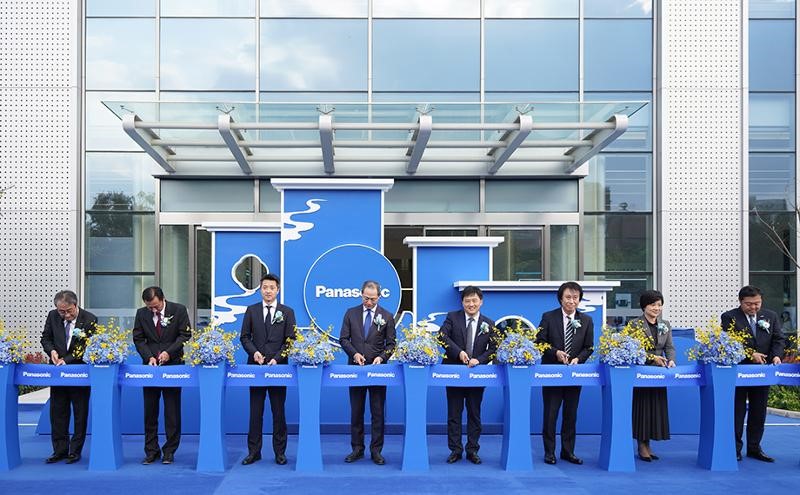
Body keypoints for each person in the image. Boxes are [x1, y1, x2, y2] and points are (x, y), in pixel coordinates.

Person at [721, 285, 784, 462]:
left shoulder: (770, 316)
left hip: (763, 372)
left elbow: (779, 339)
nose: (753, 307)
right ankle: (734, 448)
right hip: (739, 372)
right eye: (749, 304)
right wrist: (750, 354)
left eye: (757, 303)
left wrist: (777, 356)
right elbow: (729, 342)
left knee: (759, 411)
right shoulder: (729, 317)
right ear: (741, 302)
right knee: (737, 411)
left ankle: (754, 448)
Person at [240, 274, 296, 466]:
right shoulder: (252, 310)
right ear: (260, 289)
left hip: (278, 369)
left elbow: (291, 340)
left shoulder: (287, 312)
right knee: (255, 412)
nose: (268, 291)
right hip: (255, 368)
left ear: (277, 290)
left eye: (272, 287)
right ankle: (254, 452)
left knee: (278, 412)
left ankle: (280, 452)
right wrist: (254, 353)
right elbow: (244, 337)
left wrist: (277, 358)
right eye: (265, 287)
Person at [535, 281, 594, 465]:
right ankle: (549, 452)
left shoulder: (586, 320)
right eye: (568, 297)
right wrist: (556, 353)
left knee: (571, 415)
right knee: (550, 414)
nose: (571, 301)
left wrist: (578, 359)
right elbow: (539, 342)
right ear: (560, 298)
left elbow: (589, 347)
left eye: (575, 298)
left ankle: (568, 452)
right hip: (552, 373)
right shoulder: (548, 317)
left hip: (573, 374)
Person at [132, 286, 191, 465]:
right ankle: (151, 451)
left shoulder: (178, 310)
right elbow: (138, 339)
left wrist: (169, 352)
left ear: (163, 299)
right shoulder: (141, 314)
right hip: (150, 369)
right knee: (150, 412)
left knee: (172, 412)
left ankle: (169, 451)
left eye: (156, 306)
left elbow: (185, 335)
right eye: (149, 307)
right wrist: (148, 356)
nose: (153, 310)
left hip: (173, 367)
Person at [339, 280, 396, 465]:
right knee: (356, 411)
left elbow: (391, 344)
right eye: (366, 298)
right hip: (356, 370)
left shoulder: (387, 316)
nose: (369, 302)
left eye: (372, 299)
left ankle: (376, 451)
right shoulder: (350, 313)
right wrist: (354, 354)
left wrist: (382, 357)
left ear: (379, 296)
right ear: (361, 294)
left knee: (377, 412)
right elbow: (343, 339)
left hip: (378, 371)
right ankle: (357, 448)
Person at [439, 285, 496, 465]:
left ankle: (472, 450)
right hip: (454, 373)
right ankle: (455, 450)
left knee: (474, 414)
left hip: (476, 375)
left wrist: (480, 360)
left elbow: (494, 349)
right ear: (462, 302)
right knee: (454, 414)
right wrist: (459, 352)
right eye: (467, 301)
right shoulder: (452, 317)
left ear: (481, 302)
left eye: (474, 300)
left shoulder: (489, 323)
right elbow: (442, 336)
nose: (471, 304)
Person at [40, 290, 97, 464]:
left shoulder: (89, 319)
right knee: (57, 412)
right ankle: (59, 450)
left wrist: (67, 360)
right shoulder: (52, 316)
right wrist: (52, 351)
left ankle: (75, 451)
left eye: (69, 311)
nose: (66, 315)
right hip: (58, 373)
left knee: (80, 413)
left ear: (75, 304)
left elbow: (86, 346)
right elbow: (45, 338)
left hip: (78, 373)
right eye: (61, 312)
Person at [631, 290, 675, 462]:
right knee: (643, 408)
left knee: (656, 408)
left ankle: (649, 444)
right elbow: (632, 349)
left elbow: (669, 347)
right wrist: (652, 358)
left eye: (659, 305)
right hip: (642, 373)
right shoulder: (634, 324)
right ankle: (641, 444)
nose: (657, 308)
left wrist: (671, 360)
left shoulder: (665, 324)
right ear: (644, 306)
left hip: (659, 373)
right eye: (653, 305)